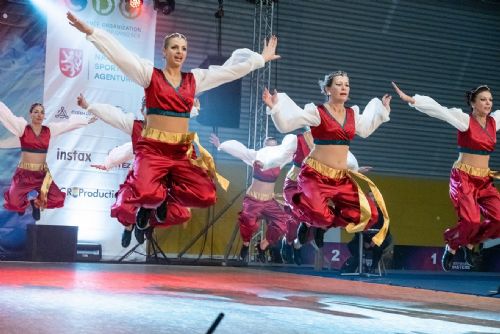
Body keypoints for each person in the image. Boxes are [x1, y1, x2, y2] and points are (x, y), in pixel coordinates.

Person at [67, 12, 280, 231]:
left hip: (180, 151)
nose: (179, 52)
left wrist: (260, 60)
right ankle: (149, 203)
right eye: (174, 47)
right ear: (164, 51)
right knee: (145, 193)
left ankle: (165, 196)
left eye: (183, 48)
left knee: (206, 195)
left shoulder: (193, 80)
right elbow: (121, 56)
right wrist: (91, 32)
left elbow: (227, 73)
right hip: (152, 150)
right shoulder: (150, 75)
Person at [262, 71, 391, 250]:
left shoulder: (352, 114)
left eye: (346, 84)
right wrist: (274, 109)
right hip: (315, 175)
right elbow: (287, 124)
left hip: (340, 178)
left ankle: (322, 226)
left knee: (369, 214)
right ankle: (311, 222)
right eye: (338, 84)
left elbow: (366, 129)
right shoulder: (318, 112)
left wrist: (382, 111)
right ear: (327, 89)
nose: (344, 87)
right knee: (320, 215)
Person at [392, 82, 499, 271]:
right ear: (473, 103)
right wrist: (413, 100)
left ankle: (469, 242)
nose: (488, 103)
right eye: (483, 99)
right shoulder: (464, 120)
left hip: (484, 181)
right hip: (463, 178)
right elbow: (439, 110)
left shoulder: (494, 121)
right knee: (472, 221)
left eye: (490, 100)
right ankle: (453, 242)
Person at [77, 95, 198, 247]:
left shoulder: (169, 131)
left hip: (162, 181)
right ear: (142, 111)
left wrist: (193, 108)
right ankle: (129, 227)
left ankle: (146, 223)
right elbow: (113, 116)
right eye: (150, 108)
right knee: (123, 207)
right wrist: (89, 105)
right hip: (139, 179)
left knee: (181, 213)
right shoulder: (136, 126)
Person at [209, 133, 296, 262]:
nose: (270, 150)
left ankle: (263, 245)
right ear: (263, 146)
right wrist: (221, 145)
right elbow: (239, 151)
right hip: (253, 200)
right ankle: (245, 244)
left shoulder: (280, 159)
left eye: (274, 147)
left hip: (269, 201)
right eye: (268, 146)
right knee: (247, 221)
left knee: (283, 223)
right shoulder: (255, 156)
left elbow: (293, 151)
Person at [0, 101, 93, 220]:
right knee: (13, 202)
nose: (39, 115)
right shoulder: (23, 128)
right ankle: (22, 204)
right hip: (24, 174)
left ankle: (36, 203)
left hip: (42, 175)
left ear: (44, 116)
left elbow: (68, 125)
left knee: (57, 198)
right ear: (31, 114)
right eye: (36, 112)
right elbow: (8, 116)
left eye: (42, 112)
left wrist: (86, 120)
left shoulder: (49, 130)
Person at [341, 191, 393, 274]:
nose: (372, 198)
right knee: (352, 245)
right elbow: (358, 228)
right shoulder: (362, 212)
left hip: (378, 240)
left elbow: (385, 230)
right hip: (364, 239)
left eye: (373, 196)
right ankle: (356, 263)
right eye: (370, 196)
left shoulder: (382, 213)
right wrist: (364, 242)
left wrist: (374, 241)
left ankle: (373, 268)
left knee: (378, 247)